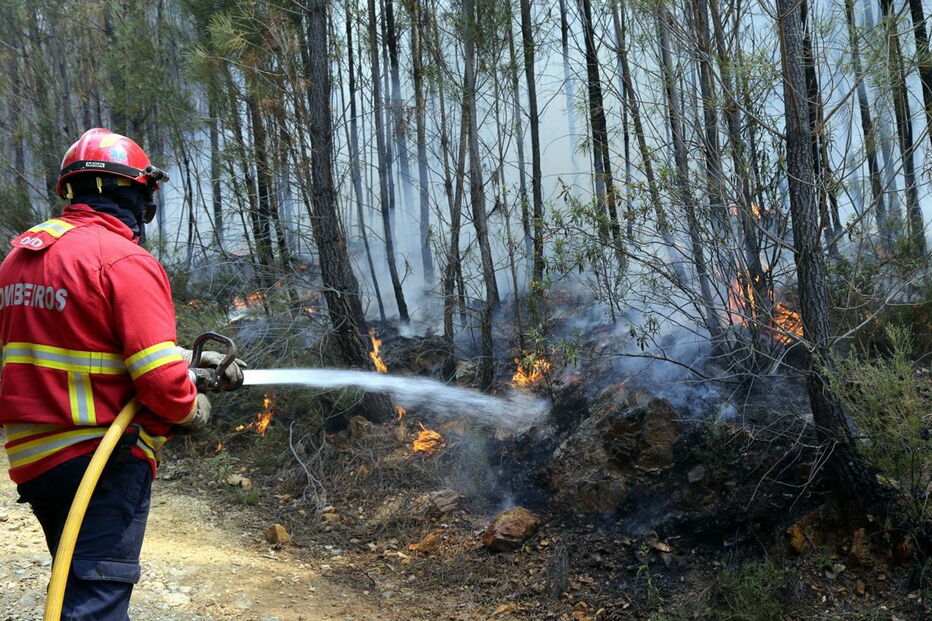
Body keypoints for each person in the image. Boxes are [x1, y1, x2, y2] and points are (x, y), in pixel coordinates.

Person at [0, 128, 246, 619]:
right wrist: (189, 407)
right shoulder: (124, 260)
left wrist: (183, 360)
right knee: (96, 606)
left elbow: (82, 342)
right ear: (133, 192)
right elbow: (156, 381)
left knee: (80, 589)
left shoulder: (21, 260)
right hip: (100, 460)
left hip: (35, 460)